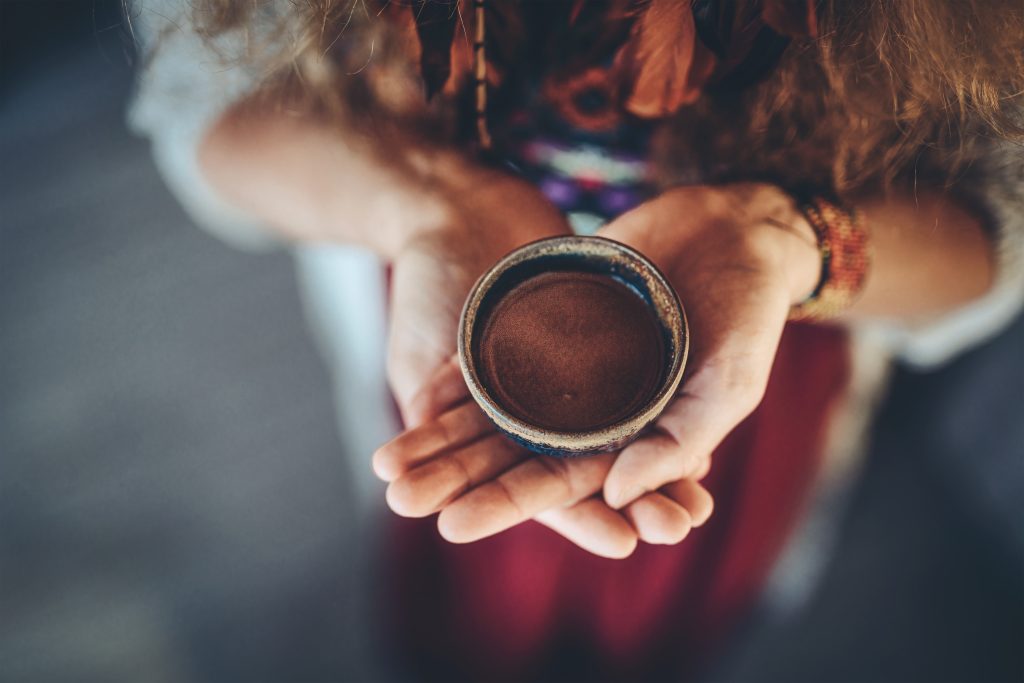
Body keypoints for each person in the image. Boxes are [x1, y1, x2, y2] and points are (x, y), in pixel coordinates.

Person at [129, 0, 1024, 679]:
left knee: (689, 586)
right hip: (439, 314)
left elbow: (1000, 224)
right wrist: (424, 205)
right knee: (462, 583)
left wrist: (787, 240)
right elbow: (200, 103)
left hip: (751, 356)